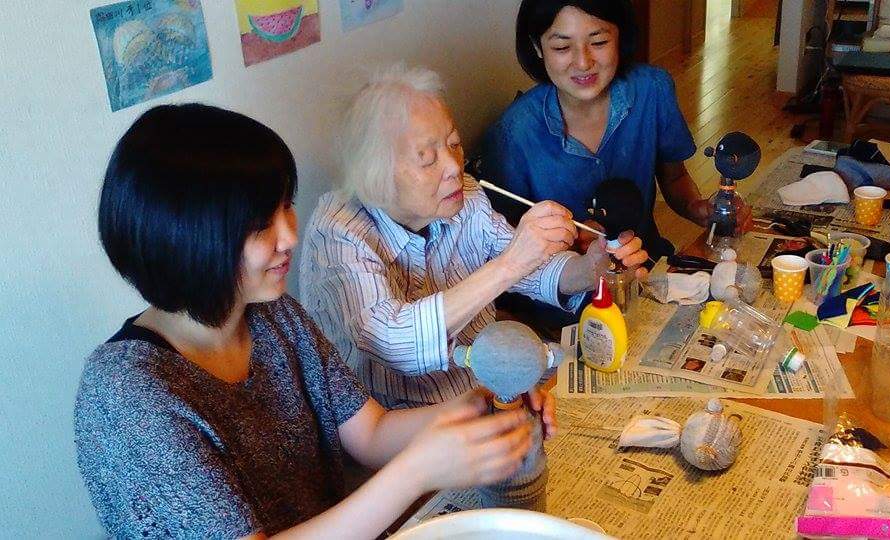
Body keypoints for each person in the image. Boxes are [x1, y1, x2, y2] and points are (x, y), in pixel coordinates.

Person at [75, 104, 551, 539]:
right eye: (260, 225)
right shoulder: (126, 394)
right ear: (186, 239)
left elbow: (371, 433)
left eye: (285, 206)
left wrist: (476, 409)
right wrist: (417, 472)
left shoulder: (274, 316)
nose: (290, 235)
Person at [299, 65, 648, 409]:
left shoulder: (464, 196)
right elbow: (393, 344)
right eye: (427, 159)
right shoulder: (338, 232)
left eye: (454, 144)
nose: (454, 167)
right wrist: (510, 263)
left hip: (484, 383)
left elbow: (531, 271)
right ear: (376, 173)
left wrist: (590, 269)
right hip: (400, 420)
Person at [481, 0, 752, 261]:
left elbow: (674, 178)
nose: (583, 62)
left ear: (620, 36)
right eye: (562, 47)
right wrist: (568, 244)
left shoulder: (652, 90)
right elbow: (504, 240)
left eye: (599, 42)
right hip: (562, 288)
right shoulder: (513, 133)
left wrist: (699, 208)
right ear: (537, 47)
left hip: (646, 265)